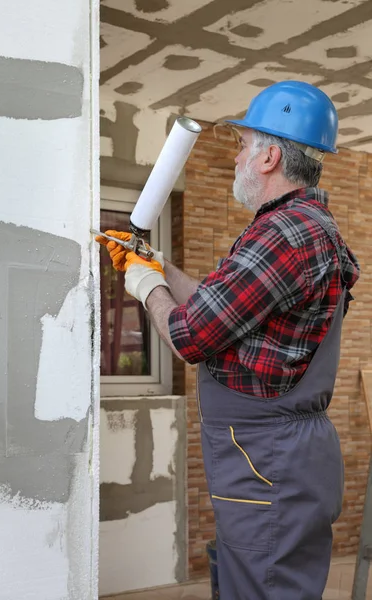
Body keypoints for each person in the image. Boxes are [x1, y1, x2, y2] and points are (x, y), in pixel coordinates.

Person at [98, 81, 360, 600]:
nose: (237, 157)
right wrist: (159, 266)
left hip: (269, 462)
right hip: (280, 460)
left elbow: (191, 335)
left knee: (262, 589)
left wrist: (144, 286)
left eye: (243, 145)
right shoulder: (304, 226)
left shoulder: (283, 234)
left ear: (270, 156)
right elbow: (222, 310)